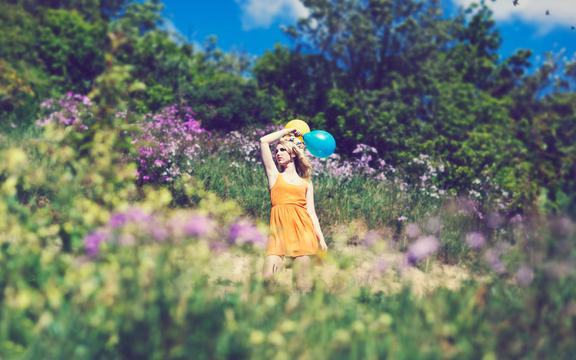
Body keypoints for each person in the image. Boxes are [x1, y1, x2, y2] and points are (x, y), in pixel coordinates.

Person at [259, 127, 328, 293]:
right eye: (277, 150)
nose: (278, 153)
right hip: (278, 235)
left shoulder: (306, 183)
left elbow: (311, 213)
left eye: (283, 149)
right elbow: (263, 141)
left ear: (294, 154)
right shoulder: (274, 176)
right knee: (266, 285)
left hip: (303, 234)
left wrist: (321, 238)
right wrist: (287, 130)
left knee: (302, 288)